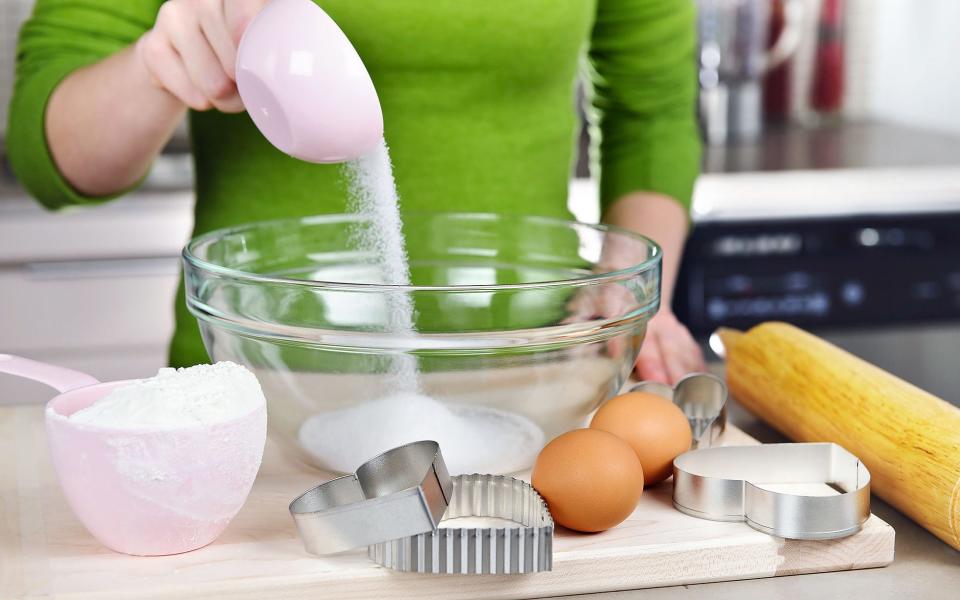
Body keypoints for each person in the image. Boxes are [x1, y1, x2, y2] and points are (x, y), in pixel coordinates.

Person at [8, 0, 705, 384]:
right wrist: (160, 67)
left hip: (534, 380)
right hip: (263, 389)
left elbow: (654, 109)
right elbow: (50, 156)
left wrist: (626, 278)